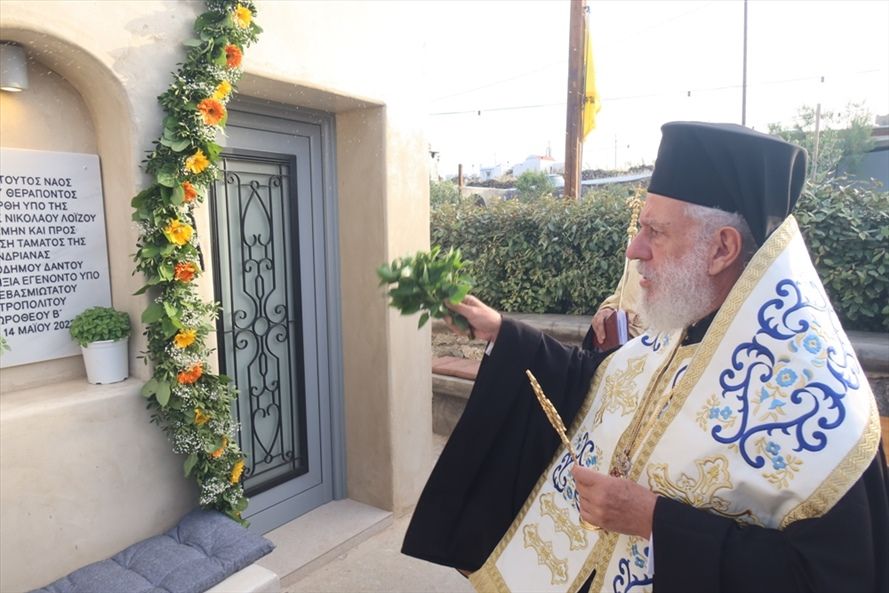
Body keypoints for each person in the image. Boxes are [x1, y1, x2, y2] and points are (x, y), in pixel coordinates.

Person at [402, 122, 888, 592]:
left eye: (654, 232)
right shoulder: (688, 324)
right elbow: (598, 380)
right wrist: (503, 332)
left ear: (722, 248)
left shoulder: (820, 398)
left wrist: (653, 518)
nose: (634, 251)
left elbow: (831, 578)